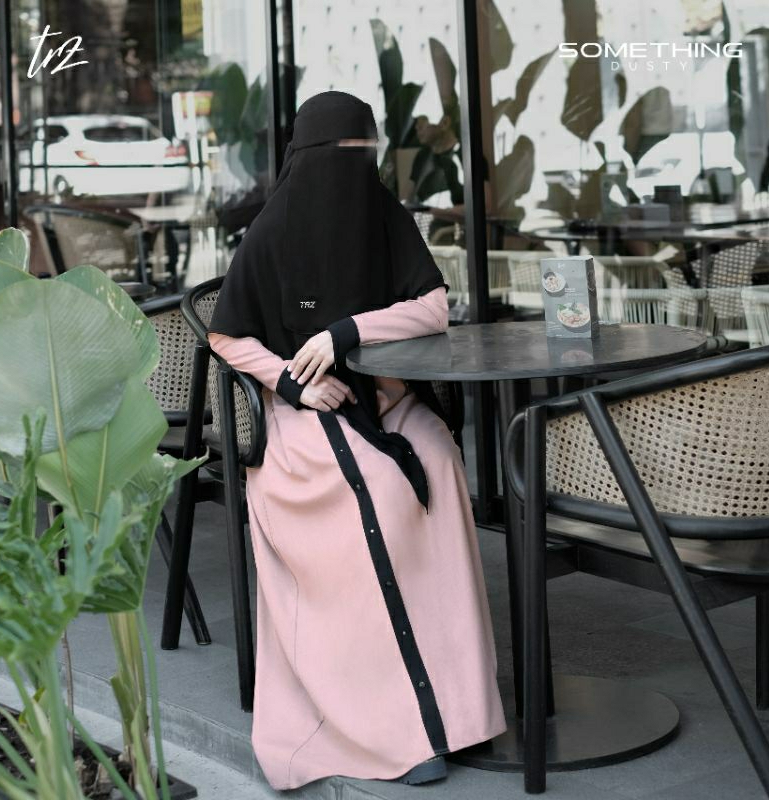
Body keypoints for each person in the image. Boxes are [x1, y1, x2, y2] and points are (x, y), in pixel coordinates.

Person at [207, 90, 506, 790]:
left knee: (437, 459)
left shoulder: (383, 213)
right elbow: (226, 335)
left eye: (361, 154)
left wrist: (346, 331)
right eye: (336, 155)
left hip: (386, 399)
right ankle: (389, 727)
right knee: (371, 487)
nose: (350, 170)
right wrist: (293, 383)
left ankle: (458, 708)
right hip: (305, 414)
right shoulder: (272, 229)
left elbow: (433, 307)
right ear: (305, 157)